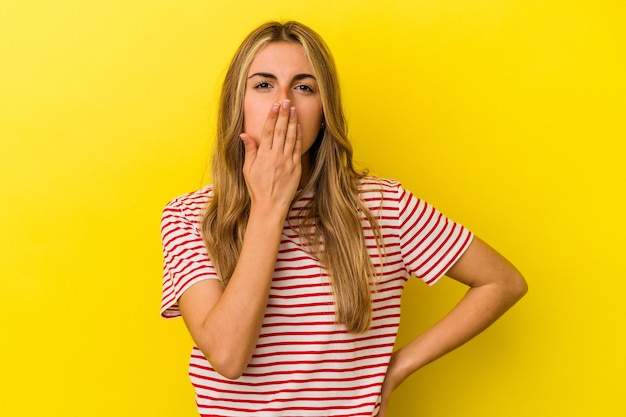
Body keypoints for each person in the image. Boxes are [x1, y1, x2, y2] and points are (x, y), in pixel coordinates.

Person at [160, 20, 527, 417]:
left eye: (304, 87)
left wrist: (396, 368)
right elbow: (228, 356)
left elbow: (502, 282)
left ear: (324, 111)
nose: (283, 103)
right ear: (238, 105)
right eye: (263, 85)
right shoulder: (189, 217)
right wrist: (269, 206)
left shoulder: (382, 207)